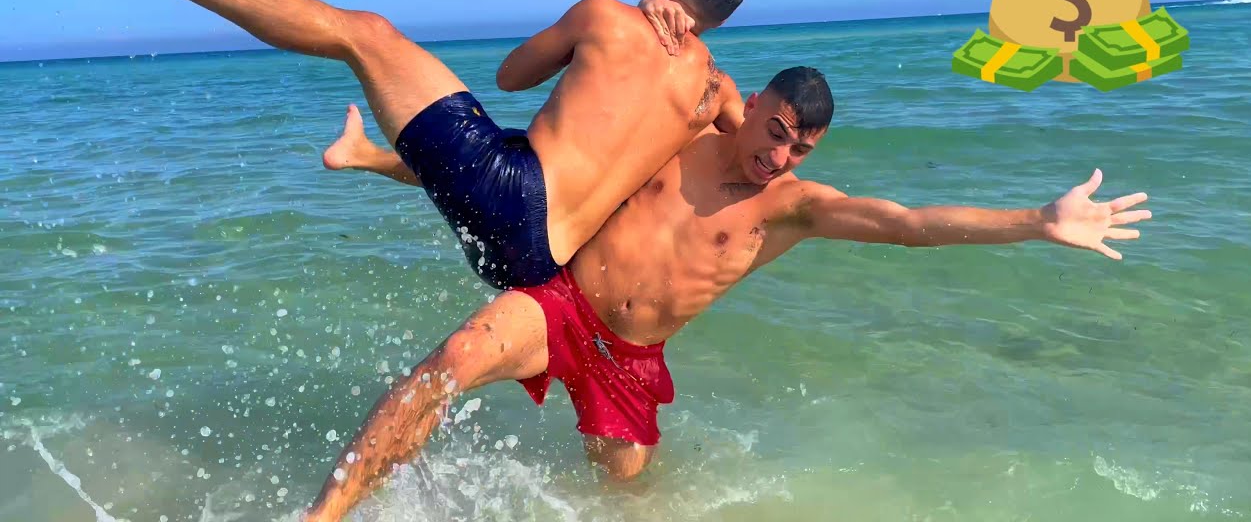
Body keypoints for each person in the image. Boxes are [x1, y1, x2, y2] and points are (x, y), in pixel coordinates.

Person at [302, 66, 1151, 521]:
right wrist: (665, 8)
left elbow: (910, 224)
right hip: (561, 305)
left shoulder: (793, 209)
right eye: (774, 131)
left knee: (625, 498)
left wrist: (1038, 221)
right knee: (451, 359)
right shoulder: (688, 125)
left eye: (799, 149)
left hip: (629, 364)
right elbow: (590, 122)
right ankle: (327, 515)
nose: (778, 157)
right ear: (755, 105)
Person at [113, 0, 748, 291]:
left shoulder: (609, 16)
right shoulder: (716, 91)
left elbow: (511, 76)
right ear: (718, 20)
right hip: (537, 264)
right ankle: (363, 155)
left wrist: (612, 29)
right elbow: (760, 148)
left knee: (365, 33)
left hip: (511, 199)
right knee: (501, 148)